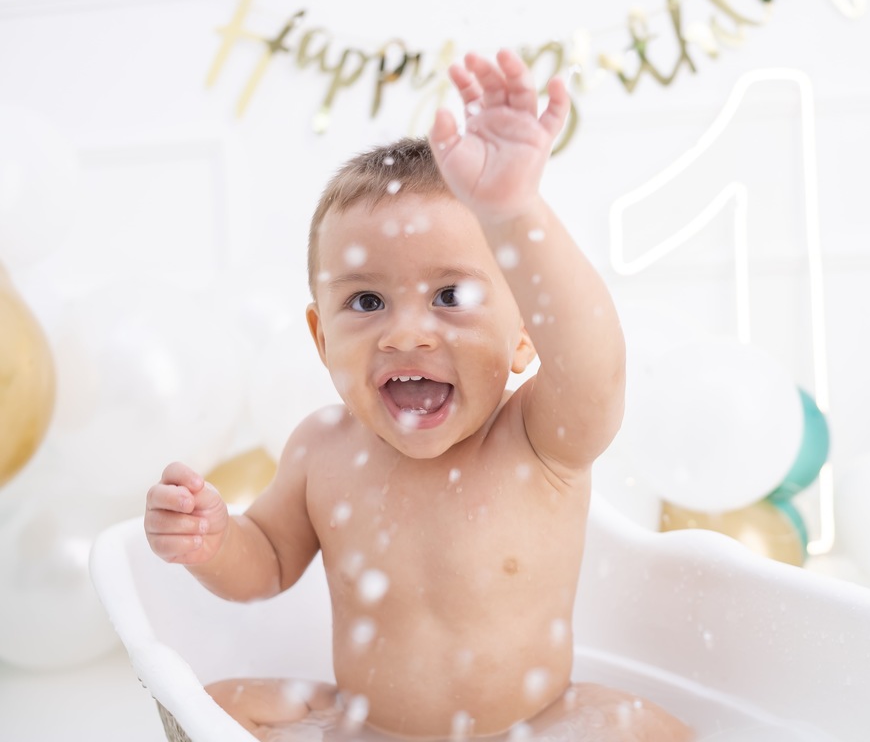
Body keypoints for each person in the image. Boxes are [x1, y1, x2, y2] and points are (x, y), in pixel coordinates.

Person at [143, 50, 694, 741]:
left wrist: (515, 212)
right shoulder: (322, 450)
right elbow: (268, 564)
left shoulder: (537, 440)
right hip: (371, 727)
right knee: (212, 706)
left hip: (530, 725)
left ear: (526, 335)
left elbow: (594, 364)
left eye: (451, 296)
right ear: (322, 338)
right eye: (367, 300)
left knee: (652, 729)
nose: (406, 333)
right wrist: (216, 540)